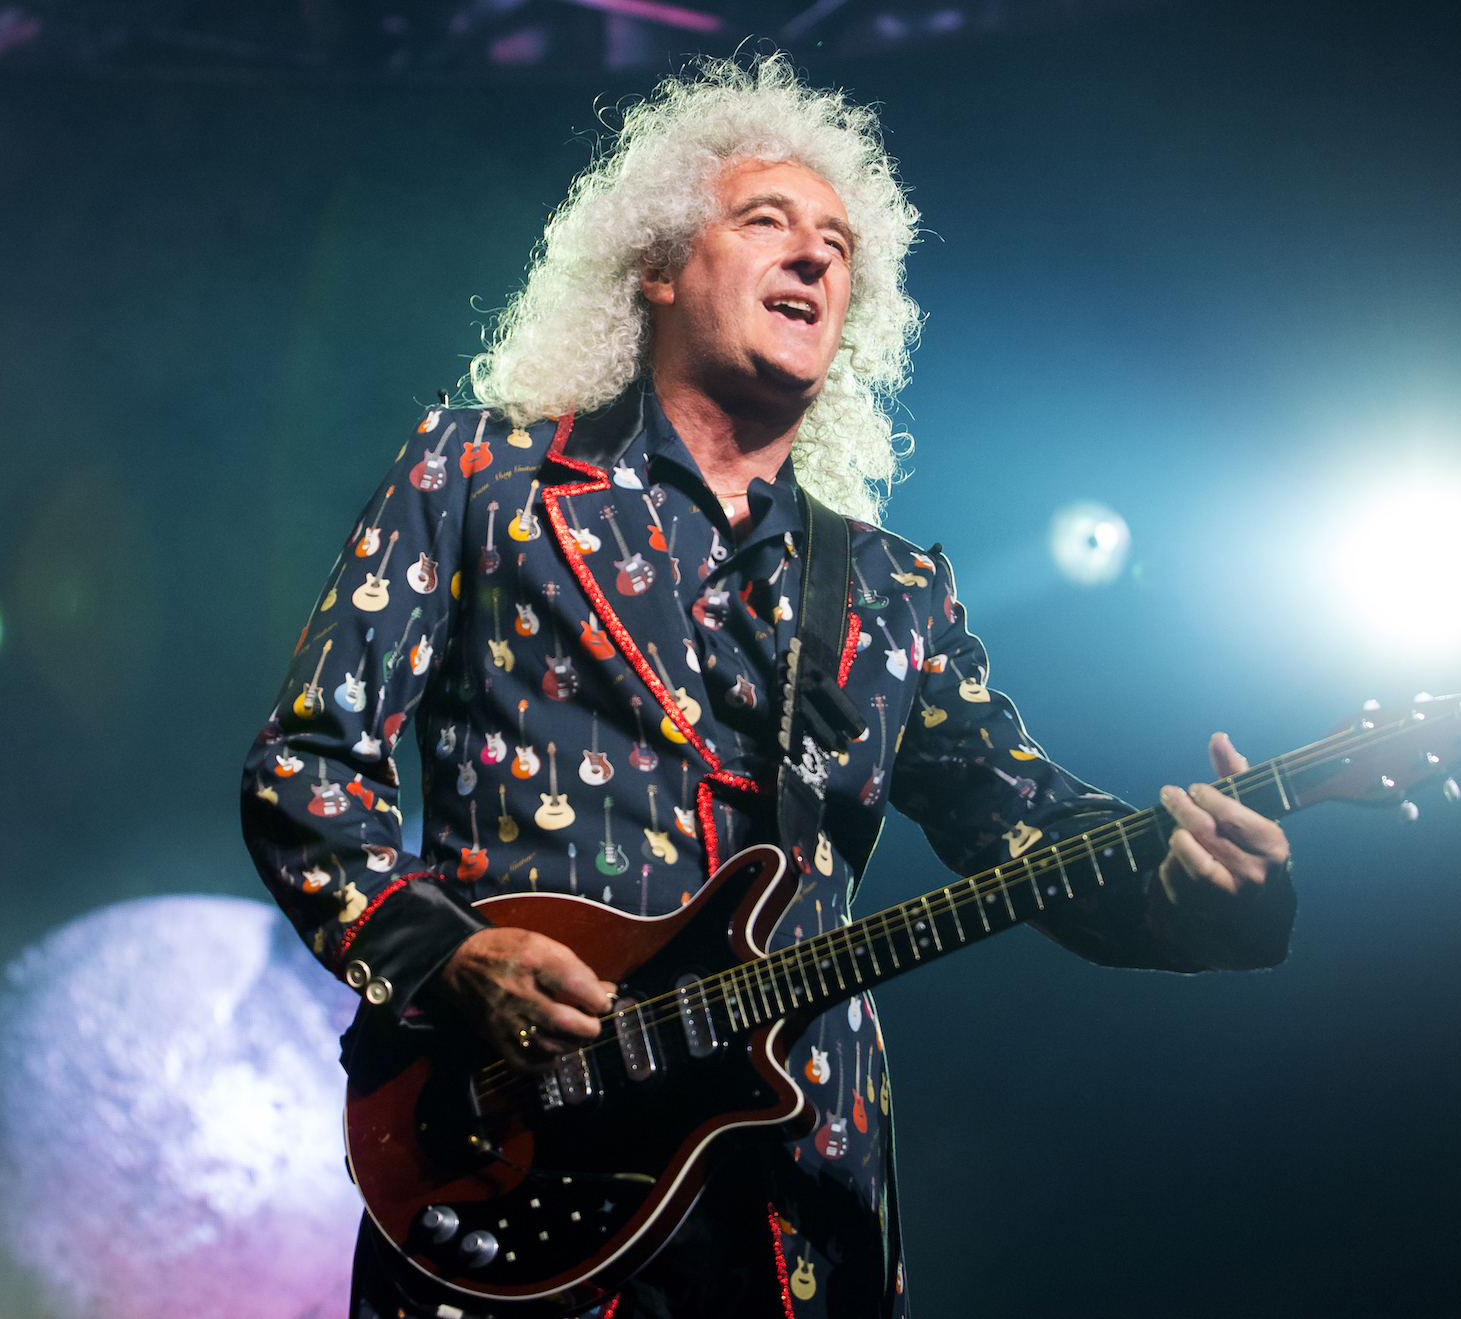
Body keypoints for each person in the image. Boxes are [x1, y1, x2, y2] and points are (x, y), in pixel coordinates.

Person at [241, 54, 1296, 1319]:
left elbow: (1028, 829)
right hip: (512, 1164)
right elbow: (308, 767)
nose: (813, 258)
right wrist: (447, 957)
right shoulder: (483, 476)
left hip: (797, 1202)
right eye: (767, 223)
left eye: (839, 245)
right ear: (659, 264)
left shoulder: (892, 593)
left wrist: (1194, 891)